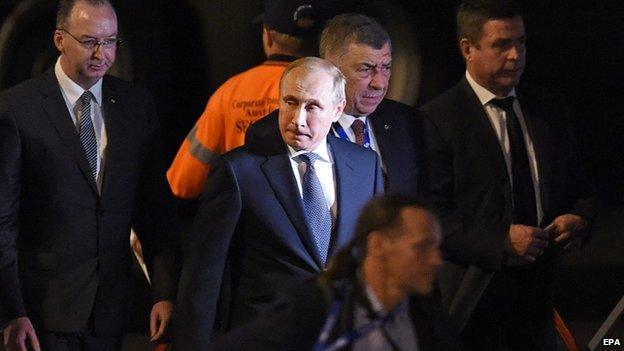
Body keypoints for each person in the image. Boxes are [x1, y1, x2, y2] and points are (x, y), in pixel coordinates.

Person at [0, 0, 178, 350]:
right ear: (59, 39)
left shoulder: (136, 107)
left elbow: (156, 210)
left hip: (111, 312)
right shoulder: (15, 109)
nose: (102, 53)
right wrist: (10, 311)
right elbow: (2, 220)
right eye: (89, 41)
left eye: (110, 42)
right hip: (41, 316)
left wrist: (164, 292)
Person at [174, 57, 384, 349]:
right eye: (290, 102)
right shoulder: (239, 171)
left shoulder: (365, 166)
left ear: (337, 110)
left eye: (312, 107)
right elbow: (203, 274)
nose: (298, 119)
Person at [420, 0, 596, 349]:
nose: (515, 55)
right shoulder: (436, 120)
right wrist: (501, 240)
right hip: (473, 306)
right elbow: (430, 217)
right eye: (502, 44)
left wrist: (580, 218)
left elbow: (581, 186)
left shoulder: (547, 109)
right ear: (468, 49)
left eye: (522, 42)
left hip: (544, 301)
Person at [211, 195, 458, 351]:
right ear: (379, 244)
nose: (437, 260)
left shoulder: (429, 320)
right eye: (422, 247)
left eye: (436, 248)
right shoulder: (314, 308)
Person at [247, 13, 428, 197]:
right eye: (366, 69)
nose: (380, 83)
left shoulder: (407, 122)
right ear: (331, 69)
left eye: (386, 67)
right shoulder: (272, 134)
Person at [166, 0, 322, 199]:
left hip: (245, 218)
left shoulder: (230, 92)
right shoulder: (331, 93)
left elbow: (182, 183)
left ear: (269, 36)